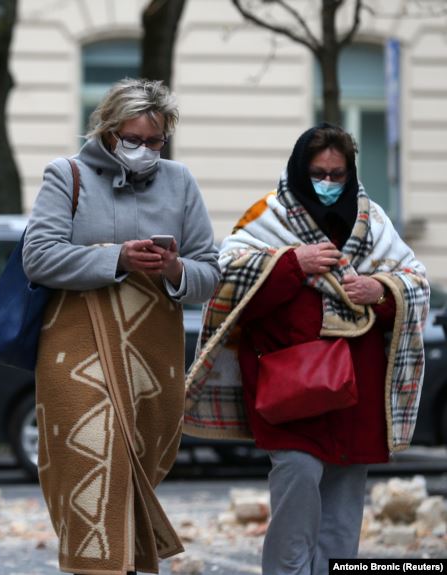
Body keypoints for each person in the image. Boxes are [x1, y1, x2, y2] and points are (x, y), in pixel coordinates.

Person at [185, 123, 430, 575]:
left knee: (342, 519)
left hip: (356, 396)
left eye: (338, 174)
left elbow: (415, 283)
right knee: (295, 492)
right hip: (290, 393)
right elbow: (229, 289)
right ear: (300, 170)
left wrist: (377, 288)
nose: (329, 183)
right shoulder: (266, 216)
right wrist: (291, 264)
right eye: (319, 172)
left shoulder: (373, 220)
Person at [22, 78, 220, 575]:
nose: (146, 151)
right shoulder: (66, 176)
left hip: (153, 355)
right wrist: (119, 258)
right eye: (135, 139)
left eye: (156, 141)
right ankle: (101, 567)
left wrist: (175, 270)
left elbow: (210, 273)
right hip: (77, 345)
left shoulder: (180, 181)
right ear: (108, 131)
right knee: (93, 457)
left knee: (135, 465)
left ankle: (127, 564)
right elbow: (38, 257)